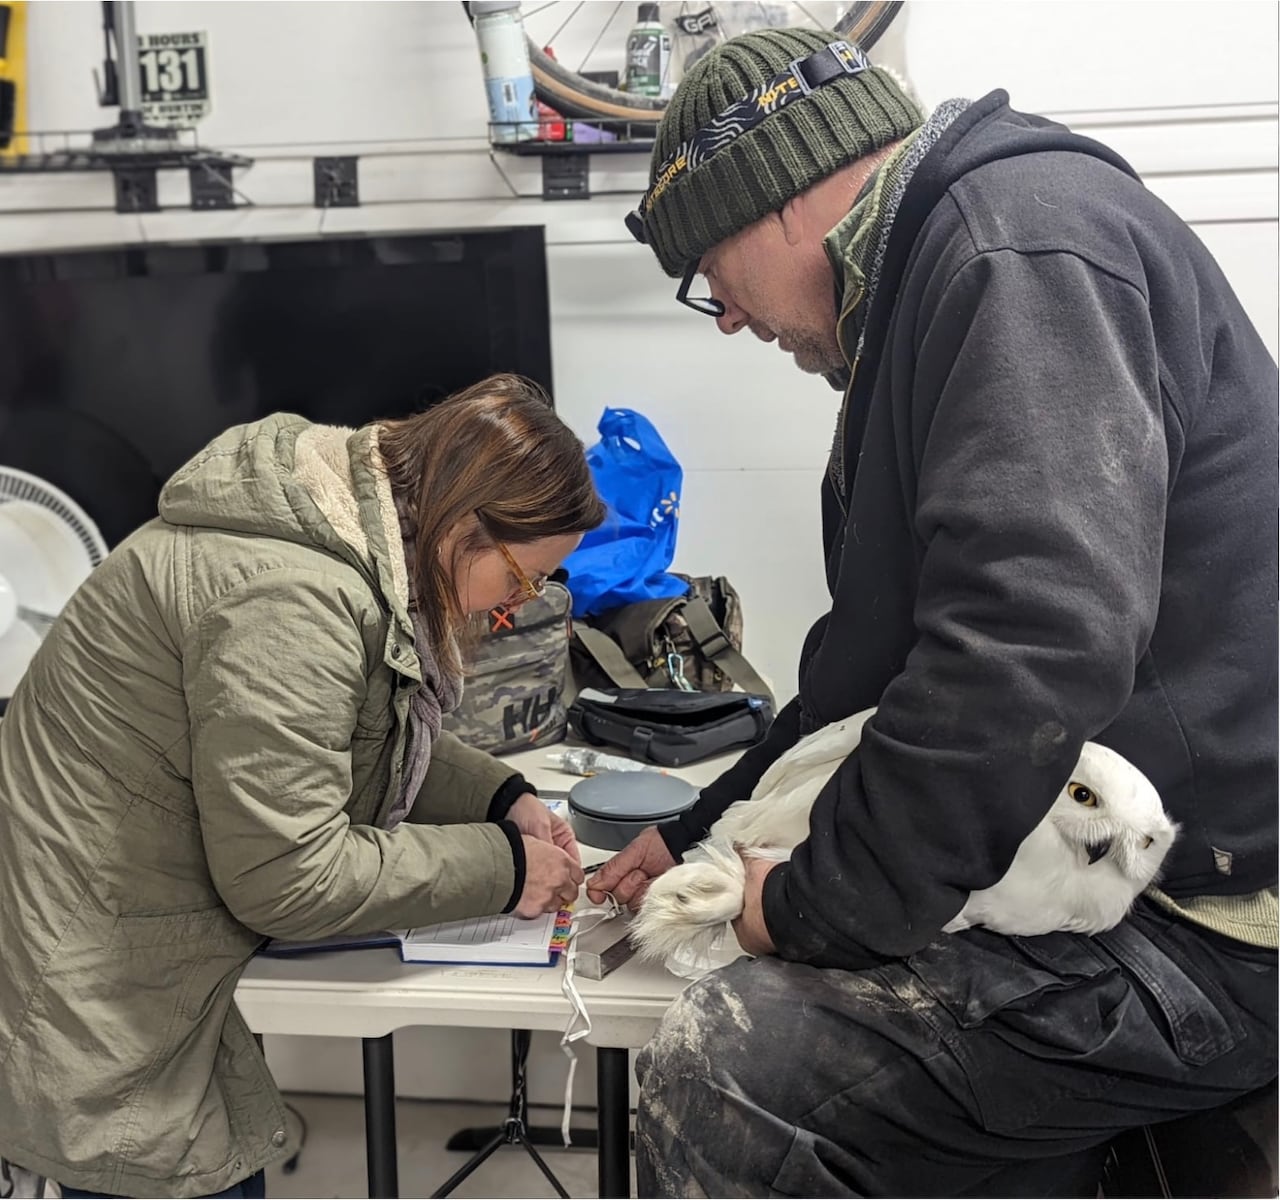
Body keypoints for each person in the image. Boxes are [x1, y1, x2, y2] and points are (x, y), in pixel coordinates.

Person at [590, 27, 1279, 1198]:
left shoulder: (1012, 251)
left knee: (733, 1069)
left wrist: (813, 909)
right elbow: (871, 679)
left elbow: (1026, 642)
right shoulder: (941, 280)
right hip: (1117, 875)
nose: (733, 323)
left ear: (774, 203)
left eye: (710, 280)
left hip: (1208, 923)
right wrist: (706, 825)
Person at [0, 373, 605, 1199]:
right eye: (521, 579)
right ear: (464, 527)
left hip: (120, 956)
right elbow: (290, 878)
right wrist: (505, 868)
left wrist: (502, 799)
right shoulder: (290, 596)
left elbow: (350, 731)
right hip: (96, 1001)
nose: (512, 609)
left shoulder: (337, 540)